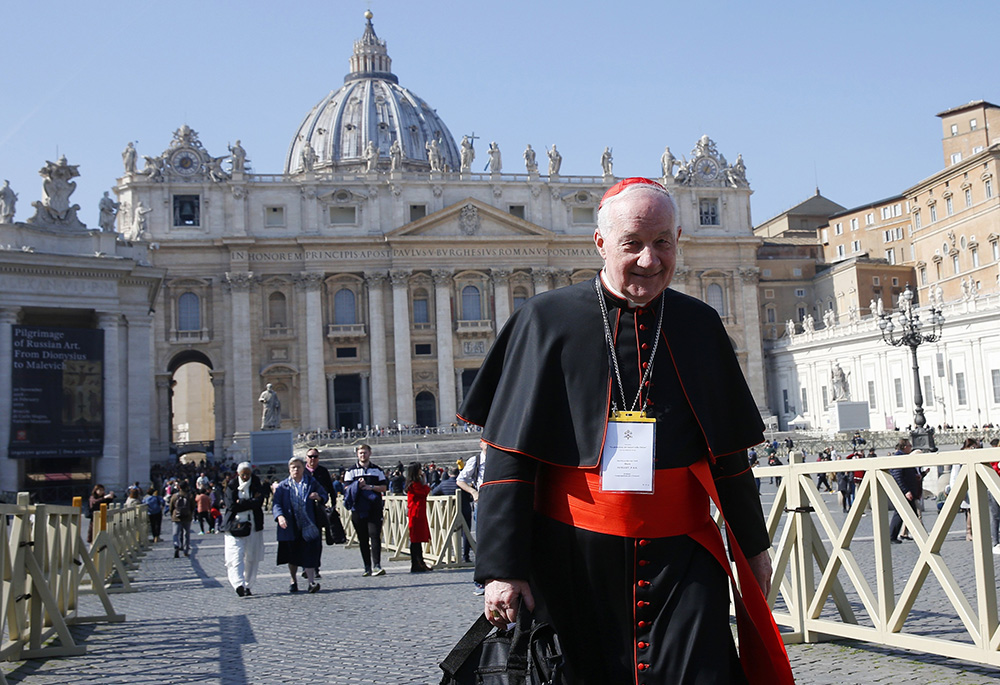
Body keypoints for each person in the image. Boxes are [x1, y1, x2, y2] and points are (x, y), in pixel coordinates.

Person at [458, 177, 790, 683]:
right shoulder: (545, 320)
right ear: (600, 243)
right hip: (573, 555)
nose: (649, 259)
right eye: (632, 244)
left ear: (678, 238)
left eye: (662, 243)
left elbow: (729, 456)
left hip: (683, 559)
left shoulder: (700, 324)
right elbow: (509, 455)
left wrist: (753, 550)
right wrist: (502, 568)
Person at [273, 456, 327, 593]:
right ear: (289, 470)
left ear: (303, 469)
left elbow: (324, 494)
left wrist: (319, 497)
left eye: (298, 467)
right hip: (290, 525)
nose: (296, 470)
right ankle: (293, 580)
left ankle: (311, 582)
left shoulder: (311, 482)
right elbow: (276, 503)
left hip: (308, 523)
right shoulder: (283, 486)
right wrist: (279, 517)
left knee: (309, 553)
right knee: (292, 555)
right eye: (293, 467)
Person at [222, 462, 266, 597]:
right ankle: (238, 584)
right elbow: (231, 505)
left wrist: (241, 503)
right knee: (236, 555)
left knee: (252, 557)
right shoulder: (231, 485)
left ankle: (248, 584)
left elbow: (259, 502)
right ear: (238, 474)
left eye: (248, 474)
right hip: (234, 526)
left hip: (253, 525)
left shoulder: (257, 483)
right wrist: (250, 502)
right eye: (243, 474)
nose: (246, 477)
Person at [343, 444, 388, 576]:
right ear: (357, 454)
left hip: (374, 508)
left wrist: (371, 487)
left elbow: (384, 487)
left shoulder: (377, 470)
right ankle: (367, 566)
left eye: (365, 453)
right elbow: (346, 489)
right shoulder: (350, 471)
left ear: (370, 453)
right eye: (361, 453)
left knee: (375, 535)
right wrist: (358, 485)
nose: (363, 455)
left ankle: (377, 565)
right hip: (358, 508)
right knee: (362, 538)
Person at [457, 441, 488, 592]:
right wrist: (473, 492)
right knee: (482, 542)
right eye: (486, 442)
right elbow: (460, 480)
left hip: (499, 501)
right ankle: (480, 581)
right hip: (481, 503)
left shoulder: (500, 458)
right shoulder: (474, 461)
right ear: (481, 444)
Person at [888, 439, 922, 544]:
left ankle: (893, 536)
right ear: (904, 447)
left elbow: (907, 474)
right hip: (904, 492)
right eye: (909, 445)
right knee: (907, 514)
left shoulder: (903, 456)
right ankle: (919, 536)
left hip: (907, 490)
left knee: (906, 513)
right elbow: (898, 476)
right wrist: (906, 491)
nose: (911, 447)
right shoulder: (900, 457)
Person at [405, 462, 432, 573]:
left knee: (417, 540)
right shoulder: (414, 484)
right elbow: (425, 491)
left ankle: (419, 562)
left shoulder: (412, 483)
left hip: (418, 511)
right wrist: (425, 481)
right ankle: (416, 563)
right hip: (416, 512)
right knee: (415, 540)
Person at [169, 480, 194, 558]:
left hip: (176, 517)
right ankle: (186, 550)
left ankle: (176, 545)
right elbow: (193, 507)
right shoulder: (190, 496)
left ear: (179, 487)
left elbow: (171, 507)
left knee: (175, 533)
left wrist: (172, 514)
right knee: (186, 534)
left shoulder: (175, 496)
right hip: (187, 517)